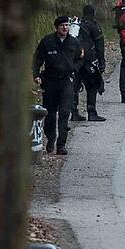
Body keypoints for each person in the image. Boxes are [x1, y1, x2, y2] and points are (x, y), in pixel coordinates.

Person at [32, 16, 83, 154]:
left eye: (67, 25)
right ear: (57, 27)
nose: (65, 28)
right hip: (50, 81)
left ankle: (61, 144)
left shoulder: (74, 42)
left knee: (65, 113)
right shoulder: (47, 41)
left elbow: (80, 59)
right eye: (62, 26)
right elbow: (37, 60)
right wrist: (36, 75)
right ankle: (51, 138)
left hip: (67, 81)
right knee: (50, 113)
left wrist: (74, 68)